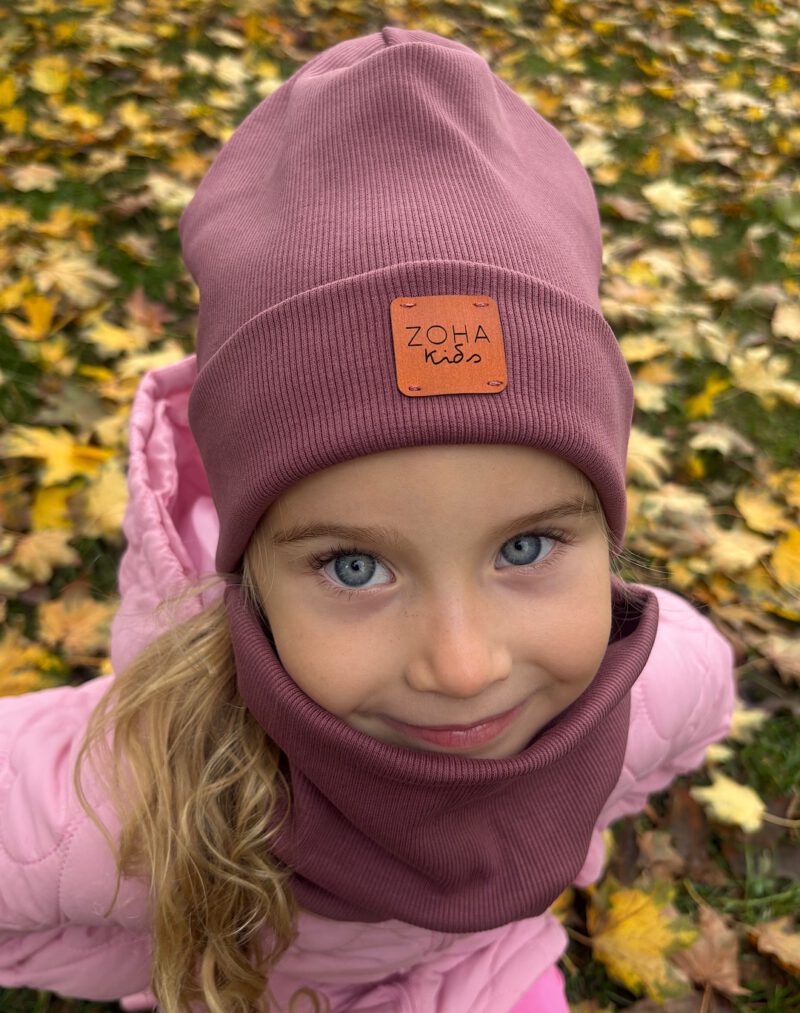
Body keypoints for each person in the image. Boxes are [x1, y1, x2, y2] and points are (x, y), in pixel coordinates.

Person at [0, 26, 736, 1013]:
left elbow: (684, 730)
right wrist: (160, 951)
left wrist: (576, 832)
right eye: (355, 567)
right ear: (250, 574)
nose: (462, 666)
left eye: (524, 546)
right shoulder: (130, 797)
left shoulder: (663, 680)